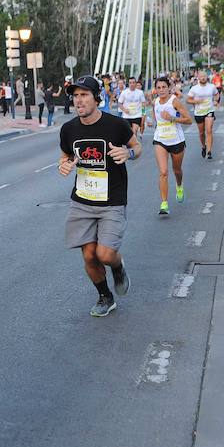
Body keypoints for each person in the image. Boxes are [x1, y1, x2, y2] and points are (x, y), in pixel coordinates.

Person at [58, 75, 142, 317]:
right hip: (82, 201)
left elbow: (137, 147)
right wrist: (63, 165)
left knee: (104, 254)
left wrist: (128, 153)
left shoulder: (116, 125)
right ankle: (105, 296)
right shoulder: (69, 129)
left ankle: (117, 266)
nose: (78, 100)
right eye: (75, 95)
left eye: (84, 95)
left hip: (112, 201)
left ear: (97, 98)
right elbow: (65, 155)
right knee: (89, 256)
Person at [149, 76, 193, 215]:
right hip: (160, 139)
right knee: (163, 172)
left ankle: (179, 185)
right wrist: (152, 121)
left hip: (176, 140)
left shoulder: (175, 101)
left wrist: (172, 118)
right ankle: (164, 203)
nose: (161, 90)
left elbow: (189, 120)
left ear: (169, 88)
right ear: (155, 89)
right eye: (158, 87)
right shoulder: (155, 101)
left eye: (163, 87)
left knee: (177, 170)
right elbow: (155, 113)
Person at [186, 72, 220, 159]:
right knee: (201, 133)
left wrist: (216, 101)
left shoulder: (211, 87)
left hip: (209, 110)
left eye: (204, 76)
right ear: (198, 78)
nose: (203, 78)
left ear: (207, 77)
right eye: (201, 76)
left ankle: (209, 151)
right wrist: (196, 101)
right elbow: (188, 100)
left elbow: (217, 94)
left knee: (209, 130)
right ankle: (203, 147)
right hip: (199, 112)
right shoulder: (194, 88)